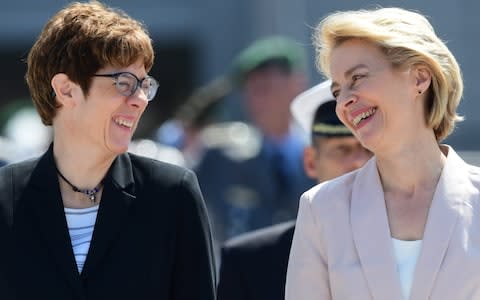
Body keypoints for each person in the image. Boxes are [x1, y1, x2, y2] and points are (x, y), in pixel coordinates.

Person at [0, 2, 216, 299]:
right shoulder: (4, 199)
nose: (140, 99)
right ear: (66, 90)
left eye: (144, 84)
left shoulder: (173, 195)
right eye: (124, 83)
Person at [286, 7, 480, 300]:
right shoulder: (322, 209)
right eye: (338, 90)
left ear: (419, 78)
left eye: (358, 77)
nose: (344, 102)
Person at [216, 80, 372, 300]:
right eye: (342, 150)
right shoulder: (251, 263)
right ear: (310, 161)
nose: (359, 162)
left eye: (369, 150)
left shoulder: (416, 244)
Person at [195, 36, 314, 250]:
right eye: (249, 90)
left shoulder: (326, 154)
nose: (255, 99)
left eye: (265, 87)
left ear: (296, 84)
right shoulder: (221, 158)